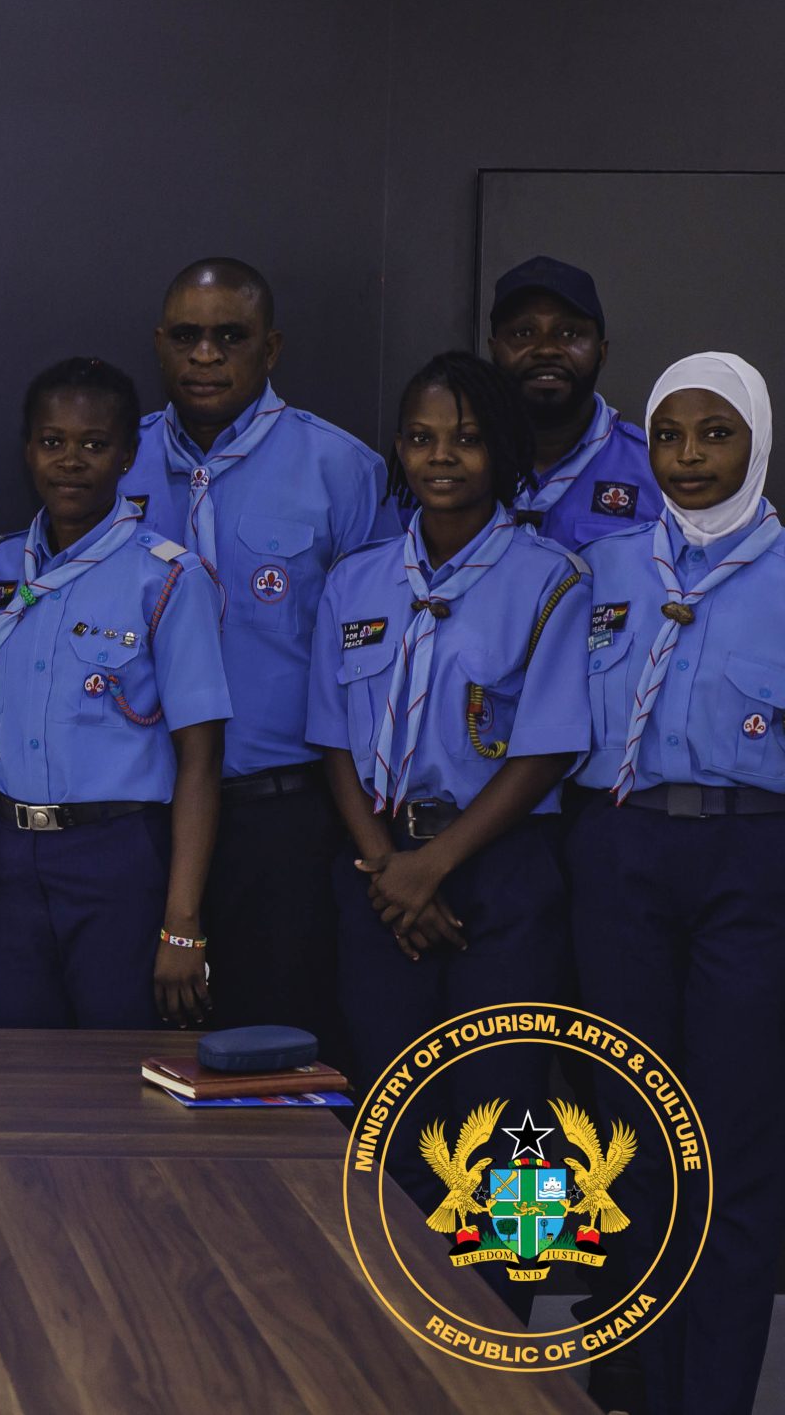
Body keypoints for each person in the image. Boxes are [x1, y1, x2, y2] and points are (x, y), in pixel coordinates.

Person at [566, 352, 785, 1415]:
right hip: (623, 857)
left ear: (756, 444)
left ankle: (714, 1397)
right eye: (668, 436)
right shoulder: (606, 571)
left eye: (716, 435)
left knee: (734, 1146)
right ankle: (633, 1385)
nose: (689, 459)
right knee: (632, 1130)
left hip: (752, 865)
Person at [119, 257, 392, 1057]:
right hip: (142, 819)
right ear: (160, 346)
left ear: (270, 350)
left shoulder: (342, 470)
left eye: (230, 337)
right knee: (146, 1061)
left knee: (280, 1058)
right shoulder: (114, 464)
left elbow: (372, 660)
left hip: (285, 821)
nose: (207, 355)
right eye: (188, 337)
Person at [306, 352, 586, 1097]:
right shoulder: (354, 580)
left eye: (465, 438)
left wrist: (434, 868)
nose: (441, 458)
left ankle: (521, 1224)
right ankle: (395, 1223)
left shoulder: (552, 577)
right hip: (380, 863)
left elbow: (548, 749)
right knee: (393, 1101)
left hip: (500, 864)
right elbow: (334, 740)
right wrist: (388, 871)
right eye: (421, 438)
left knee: (505, 1104)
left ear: (501, 447)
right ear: (399, 449)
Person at [0, 358, 230, 1029]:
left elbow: (202, 761)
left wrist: (182, 925)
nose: (70, 461)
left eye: (94, 444)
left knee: (120, 1075)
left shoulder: (168, 579)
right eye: (52, 441)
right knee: (10, 1070)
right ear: (28, 447)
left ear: (127, 455)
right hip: (4, 858)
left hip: (118, 858)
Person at [484, 254, 660, 547]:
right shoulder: (454, 462)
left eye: (569, 333)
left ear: (601, 352)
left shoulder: (654, 470)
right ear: (494, 350)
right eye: (523, 333)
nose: (546, 350)